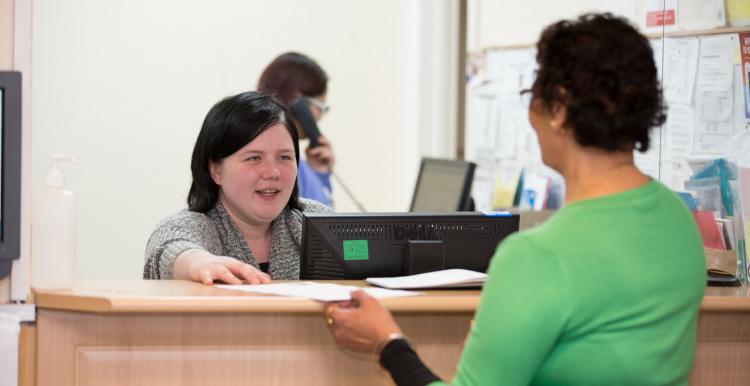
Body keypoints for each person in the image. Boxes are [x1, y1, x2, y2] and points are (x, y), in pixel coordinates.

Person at [324, 13, 706, 386]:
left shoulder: (538, 256)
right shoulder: (677, 218)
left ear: (557, 109)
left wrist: (388, 344)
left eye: (532, 93)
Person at [144, 91, 331, 284]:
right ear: (216, 170)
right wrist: (199, 263)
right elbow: (169, 248)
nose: (273, 172)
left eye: (284, 157)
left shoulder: (317, 221)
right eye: (254, 158)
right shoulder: (192, 225)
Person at [258, 52, 335, 207]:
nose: (320, 117)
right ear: (299, 104)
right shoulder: (285, 165)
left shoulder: (298, 166)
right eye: (320, 107)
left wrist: (318, 173)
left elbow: (321, 218)